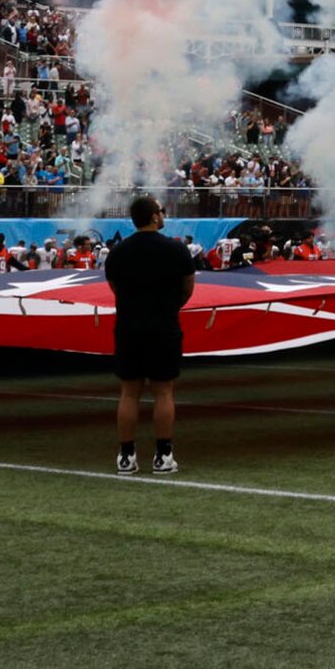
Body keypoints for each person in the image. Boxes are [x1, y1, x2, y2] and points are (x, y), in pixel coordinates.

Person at [104, 196, 193, 473]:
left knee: (129, 392)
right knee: (164, 391)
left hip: (129, 325)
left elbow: (114, 287)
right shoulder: (176, 250)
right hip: (164, 324)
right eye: (161, 211)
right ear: (154, 216)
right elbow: (187, 289)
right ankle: (163, 455)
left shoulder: (118, 252)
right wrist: (167, 306)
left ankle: (126, 456)